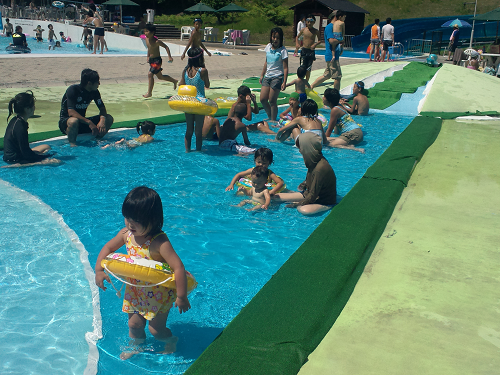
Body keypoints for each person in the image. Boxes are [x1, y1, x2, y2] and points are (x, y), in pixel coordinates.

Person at [94, 186, 191, 359]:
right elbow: (108, 247)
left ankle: (171, 339)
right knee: (134, 324)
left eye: (136, 220)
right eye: (127, 218)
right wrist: (99, 270)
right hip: (136, 292)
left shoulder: (159, 242)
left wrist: (181, 297)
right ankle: (136, 347)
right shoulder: (126, 235)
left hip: (158, 294)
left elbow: (178, 267)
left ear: (153, 220)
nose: (130, 224)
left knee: (156, 330)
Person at [273, 133, 337, 216]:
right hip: (309, 194)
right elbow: (312, 179)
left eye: (302, 148)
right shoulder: (314, 160)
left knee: (303, 209)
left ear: (308, 148)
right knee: (276, 197)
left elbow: (313, 196)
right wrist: (305, 183)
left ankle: (328, 207)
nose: (300, 151)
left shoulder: (320, 168)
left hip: (324, 201)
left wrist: (297, 204)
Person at [3, 91, 60, 167]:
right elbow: (26, 154)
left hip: (14, 155)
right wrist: (44, 158)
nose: (34, 108)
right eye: (33, 105)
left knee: (46, 146)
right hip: (15, 160)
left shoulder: (17, 120)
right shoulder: (20, 127)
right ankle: (15, 166)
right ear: (27, 109)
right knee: (57, 162)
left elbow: (24, 149)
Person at [59, 68, 114, 146]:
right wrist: (89, 122)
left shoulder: (94, 92)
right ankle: (72, 145)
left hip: (82, 122)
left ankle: (97, 141)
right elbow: (71, 112)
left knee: (108, 118)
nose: (99, 84)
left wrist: (102, 120)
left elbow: (102, 108)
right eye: (97, 82)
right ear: (89, 83)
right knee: (73, 121)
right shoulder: (73, 90)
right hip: (66, 123)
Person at [178, 47, 210, 152]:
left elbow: (181, 84)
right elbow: (207, 85)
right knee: (198, 131)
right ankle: (199, 151)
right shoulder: (203, 71)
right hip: (199, 102)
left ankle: (187, 150)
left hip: (188, 102)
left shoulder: (185, 70)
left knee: (189, 129)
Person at [323, 88, 365, 153]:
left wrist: (324, 143)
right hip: (357, 133)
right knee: (326, 139)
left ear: (329, 101)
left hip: (353, 134)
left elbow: (329, 129)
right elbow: (336, 127)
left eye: (324, 96)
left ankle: (355, 149)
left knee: (330, 144)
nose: (323, 98)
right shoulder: (339, 107)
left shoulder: (335, 110)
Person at [260, 27, 288, 122]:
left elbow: (285, 67)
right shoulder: (268, 47)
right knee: (263, 99)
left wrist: (284, 81)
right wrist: (262, 75)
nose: (275, 40)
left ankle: (273, 120)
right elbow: (266, 62)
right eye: (274, 37)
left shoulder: (282, 51)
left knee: (272, 100)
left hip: (277, 77)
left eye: (277, 38)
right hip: (267, 76)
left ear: (281, 39)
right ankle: (270, 116)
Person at [142, 24, 177, 98]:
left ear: (152, 32)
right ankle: (174, 81)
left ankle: (149, 93)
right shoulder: (146, 39)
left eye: (147, 31)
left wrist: (169, 57)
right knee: (160, 77)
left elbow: (166, 47)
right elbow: (149, 48)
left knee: (150, 74)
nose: (145, 33)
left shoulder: (157, 42)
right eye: (144, 31)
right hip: (152, 60)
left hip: (157, 61)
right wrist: (148, 56)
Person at [311, 11, 342, 91]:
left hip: (332, 55)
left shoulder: (335, 27)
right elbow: (331, 41)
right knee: (337, 77)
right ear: (337, 17)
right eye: (342, 18)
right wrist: (341, 40)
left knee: (327, 75)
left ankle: (311, 86)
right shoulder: (330, 27)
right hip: (331, 56)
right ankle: (336, 95)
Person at [296, 15, 321, 81]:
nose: (309, 23)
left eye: (311, 22)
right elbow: (297, 37)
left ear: (314, 22)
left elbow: (320, 40)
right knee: (302, 67)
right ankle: (301, 80)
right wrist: (297, 44)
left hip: (311, 51)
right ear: (306, 22)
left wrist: (315, 44)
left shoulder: (316, 31)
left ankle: (306, 81)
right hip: (304, 50)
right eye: (308, 22)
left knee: (308, 68)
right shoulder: (303, 30)